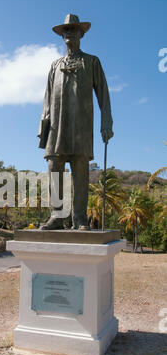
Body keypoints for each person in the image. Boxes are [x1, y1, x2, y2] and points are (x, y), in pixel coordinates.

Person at [38, 14, 113, 230]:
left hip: (81, 125)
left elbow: (104, 95)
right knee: (54, 165)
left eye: (73, 29)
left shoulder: (91, 61)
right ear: (62, 36)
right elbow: (47, 97)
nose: (69, 33)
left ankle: (80, 218)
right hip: (57, 126)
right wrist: (42, 127)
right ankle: (58, 216)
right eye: (66, 30)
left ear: (81, 34)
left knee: (80, 169)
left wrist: (106, 122)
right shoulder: (54, 65)